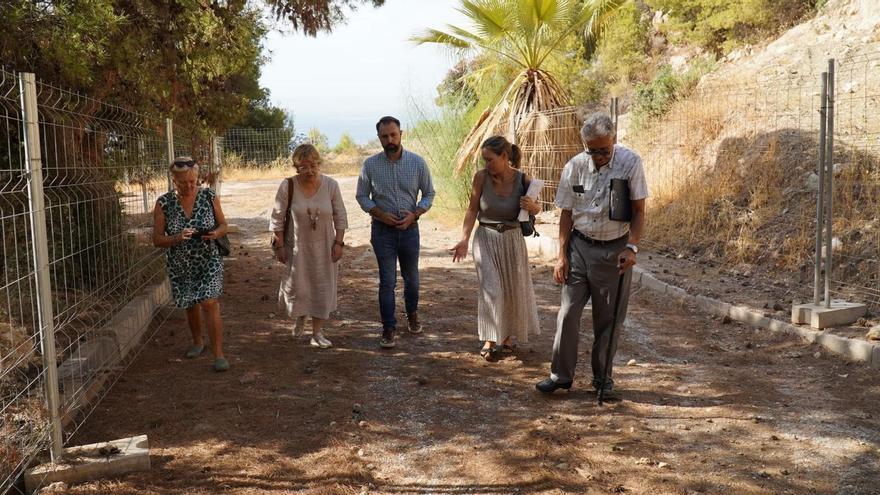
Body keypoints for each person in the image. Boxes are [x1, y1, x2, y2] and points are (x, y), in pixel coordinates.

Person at [535, 112, 648, 395]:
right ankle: (561, 376)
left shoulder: (631, 163)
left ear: (614, 141)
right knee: (567, 314)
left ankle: (602, 381)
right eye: (592, 150)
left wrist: (631, 247)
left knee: (608, 320)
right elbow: (566, 213)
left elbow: (639, 211)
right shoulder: (574, 166)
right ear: (585, 144)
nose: (598, 156)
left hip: (614, 251)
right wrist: (561, 255)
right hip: (579, 248)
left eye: (604, 150)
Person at [450, 136, 541, 360]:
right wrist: (464, 239)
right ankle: (490, 339)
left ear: (504, 157)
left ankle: (507, 339)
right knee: (492, 290)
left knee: (510, 290)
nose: (486, 165)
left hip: (512, 240)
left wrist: (533, 207)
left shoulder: (523, 180)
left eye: (490, 160)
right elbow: (472, 210)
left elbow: (537, 209)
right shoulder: (481, 178)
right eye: (484, 160)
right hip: (486, 239)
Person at [356, 116, 435, 348]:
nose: (389, 140)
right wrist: (379, 213)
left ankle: (412, 314)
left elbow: (429, 193)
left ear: (401, 133)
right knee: (387, 281)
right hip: (382, 232)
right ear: (379, 138)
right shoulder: (370, 165)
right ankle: (388, 328)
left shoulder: (418, 163)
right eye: (384, 136)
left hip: (410, 230)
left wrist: (416, 213)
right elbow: (361, 195)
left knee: (412, 279)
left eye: (393, 135)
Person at [153, 156, 230, 372]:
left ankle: (219, 354)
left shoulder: (209, 196)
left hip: (209, 259)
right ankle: (198, 341)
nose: (189, 186)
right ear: (173, 180)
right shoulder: (164, 203)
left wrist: (215, 233)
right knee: (190, 303)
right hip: (181, 263)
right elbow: (157, 239)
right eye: (183, 182)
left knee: (210, 302)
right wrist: (177, 237)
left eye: (193, 182)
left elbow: (224, 225)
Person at [270, 144, 348, 348]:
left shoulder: (331, 185)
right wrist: (279, 246)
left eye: (313, 165)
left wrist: (339, 243)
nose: (310, 171)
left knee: (322, 287)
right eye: (303, 167)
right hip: (297, 246)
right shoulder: (288, 186)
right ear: (296, 168)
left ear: (319, 164)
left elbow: (340, 216)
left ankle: (317, 332)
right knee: (300, 286)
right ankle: (300, 316)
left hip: (325, 247)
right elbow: (277, 219)